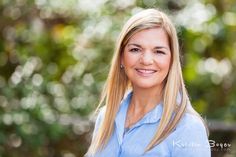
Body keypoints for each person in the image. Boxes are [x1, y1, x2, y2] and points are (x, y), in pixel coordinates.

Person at [86, 8, 211, 157]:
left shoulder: (187, 128)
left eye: (159, 51)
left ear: (171, 60)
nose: (146, 60)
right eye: (135, 49)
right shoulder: (105, 118)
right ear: (121, 56)